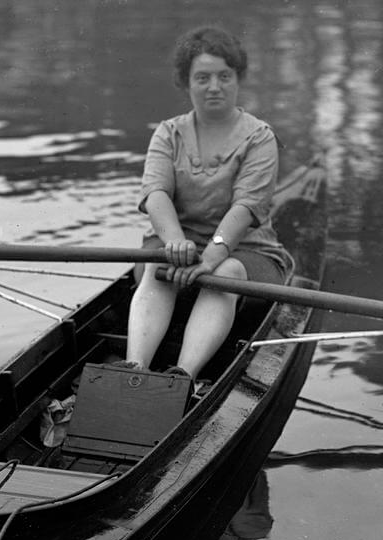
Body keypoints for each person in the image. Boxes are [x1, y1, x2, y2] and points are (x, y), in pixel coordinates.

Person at [124, 26, 293, 381]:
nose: (214, 86)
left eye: (224, 76)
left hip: (246, 254)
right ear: (186, 83)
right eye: (202, 78)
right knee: (157, 265)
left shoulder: (259, 137)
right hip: (176, 254)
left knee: (223, 274)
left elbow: (246, 207)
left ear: (238, 79)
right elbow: (155, 194)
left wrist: (213, 256)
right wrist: (174, 243)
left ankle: (182, 377)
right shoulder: (168, 133)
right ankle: (133, 370)